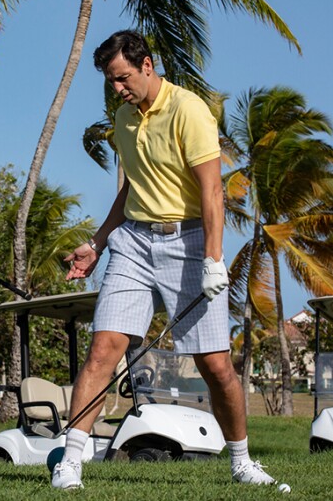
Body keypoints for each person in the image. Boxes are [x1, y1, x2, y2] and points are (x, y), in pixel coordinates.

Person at [52, 30, 277, 490]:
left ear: (147, 65)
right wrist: (97, 245)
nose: (117, 89)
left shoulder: (189, 109)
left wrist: (214, 259)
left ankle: (241, 462)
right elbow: (132, 188)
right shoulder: (123, 119)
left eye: (123, 78)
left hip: (189, 240)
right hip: (133, 242)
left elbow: (212, 189)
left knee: (215, 366)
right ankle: (71, 462)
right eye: (111, 82)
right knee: (104, 349)